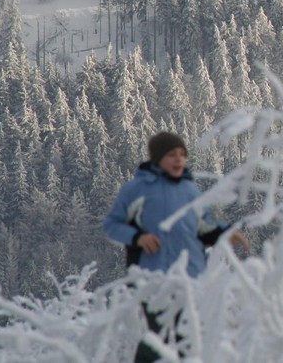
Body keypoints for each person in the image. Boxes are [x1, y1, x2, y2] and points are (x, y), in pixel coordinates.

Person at [103, 131, 249, 362]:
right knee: (158, 338)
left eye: (182, 154)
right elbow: (112, 225)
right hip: (152, 278)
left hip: (190, 277)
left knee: (189, 338)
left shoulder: (190, 191)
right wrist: (138, 237)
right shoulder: (136, 190)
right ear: (157, 158)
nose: (179, 159)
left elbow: (203, 227)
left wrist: (225, 233)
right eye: (171, 155)